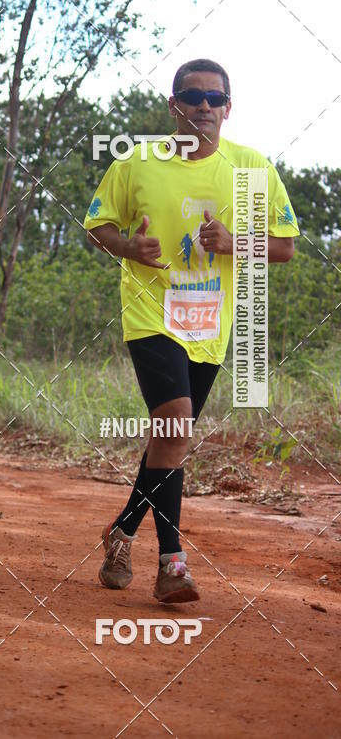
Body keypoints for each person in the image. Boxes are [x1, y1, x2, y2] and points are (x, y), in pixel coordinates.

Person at [84, 59, 299, 602]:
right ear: (173, 103)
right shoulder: (135, 163)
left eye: (215, 98)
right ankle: (171, 562)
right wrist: (129, 246)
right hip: (150, 309)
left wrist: (233, 243)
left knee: (170, 438)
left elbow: (285, 247)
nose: (205, 106)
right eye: (193, 96)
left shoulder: (252, 169)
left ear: (229, 107)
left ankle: (123, 530)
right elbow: (99, 226)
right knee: (176, 423)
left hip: (209, 321)